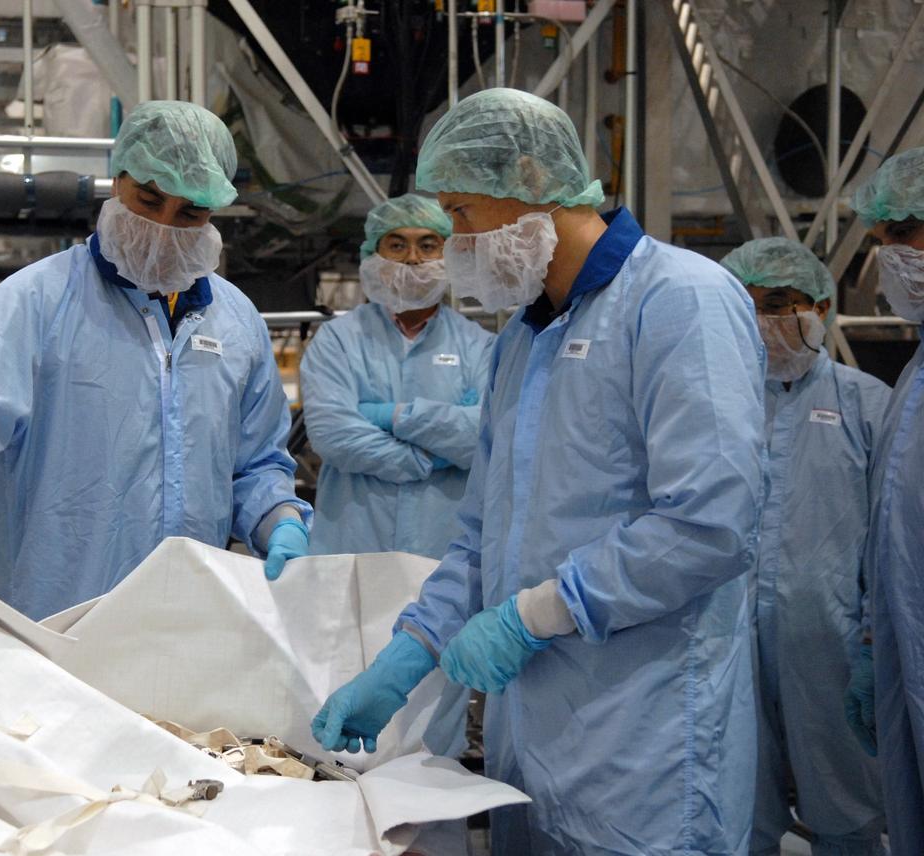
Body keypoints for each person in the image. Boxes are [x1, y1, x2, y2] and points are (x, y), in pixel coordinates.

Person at [311, 88, 766, 854]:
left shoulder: (680, 301)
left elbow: (710, 523)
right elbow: (486, 532)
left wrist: (536, 615)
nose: (452, 245)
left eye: (460, 213)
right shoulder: (527, 336)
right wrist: (408, 654)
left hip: (644, 740)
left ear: (528, 177)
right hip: (534, 740)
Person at [0, 101, 312, 702]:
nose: (164, 224)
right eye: (148, 200)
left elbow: (256, 463)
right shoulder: (35, 303)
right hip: (53, 633)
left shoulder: (236, 323)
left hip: (188, 634)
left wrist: (279, 521)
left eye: (191, 212)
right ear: (117, 181)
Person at [719, 237, 888, 855]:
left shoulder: (868, 405)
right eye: (746, 306)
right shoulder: (714, 403)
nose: (764, 321)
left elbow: (894, 543)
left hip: (832, 651)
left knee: (847, 809)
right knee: (738, 807)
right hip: (726, 646)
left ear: (820, 307)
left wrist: (875, 641)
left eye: (779, 303)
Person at [302, 194, 494, 558]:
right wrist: (430, 457)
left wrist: (387, 415)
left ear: (450, 253)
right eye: (396, 244)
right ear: (374, 255)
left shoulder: (479, 346)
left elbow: (482, 436)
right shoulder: (338, 340)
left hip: (445, 549)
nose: (412, 258)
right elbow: (333, 434)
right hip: (352, 544)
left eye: (428, 244)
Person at [844, 146, 924, 851]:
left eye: (902, 233)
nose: (890, 257)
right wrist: (875, 641)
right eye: (883, 240)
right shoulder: (912, 378)